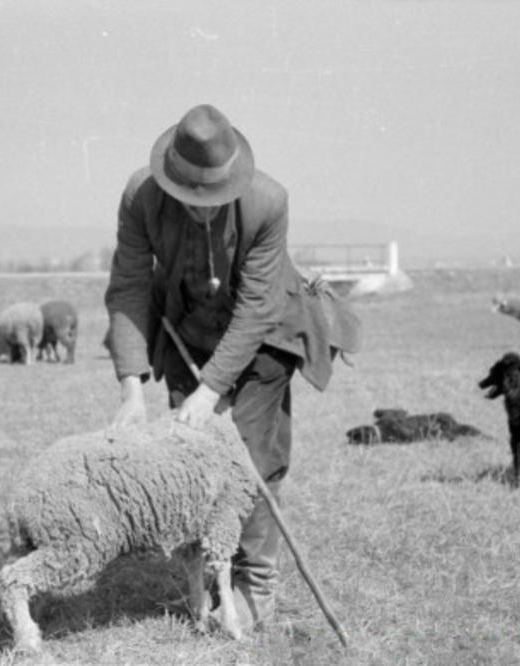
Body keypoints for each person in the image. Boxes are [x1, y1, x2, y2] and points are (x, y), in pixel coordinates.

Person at [104, 103, 360, 632]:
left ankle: (254, 587)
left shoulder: (268, 202)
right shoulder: (140, 197)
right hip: (186, 330)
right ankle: (209, 581)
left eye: (211, 200)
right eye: (188, 199)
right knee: (194, 461)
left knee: (249, 459)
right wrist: (131, 388)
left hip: (264, 333)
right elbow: (129, 287)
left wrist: (211, 390)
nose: (200, 209)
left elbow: (256, 308)